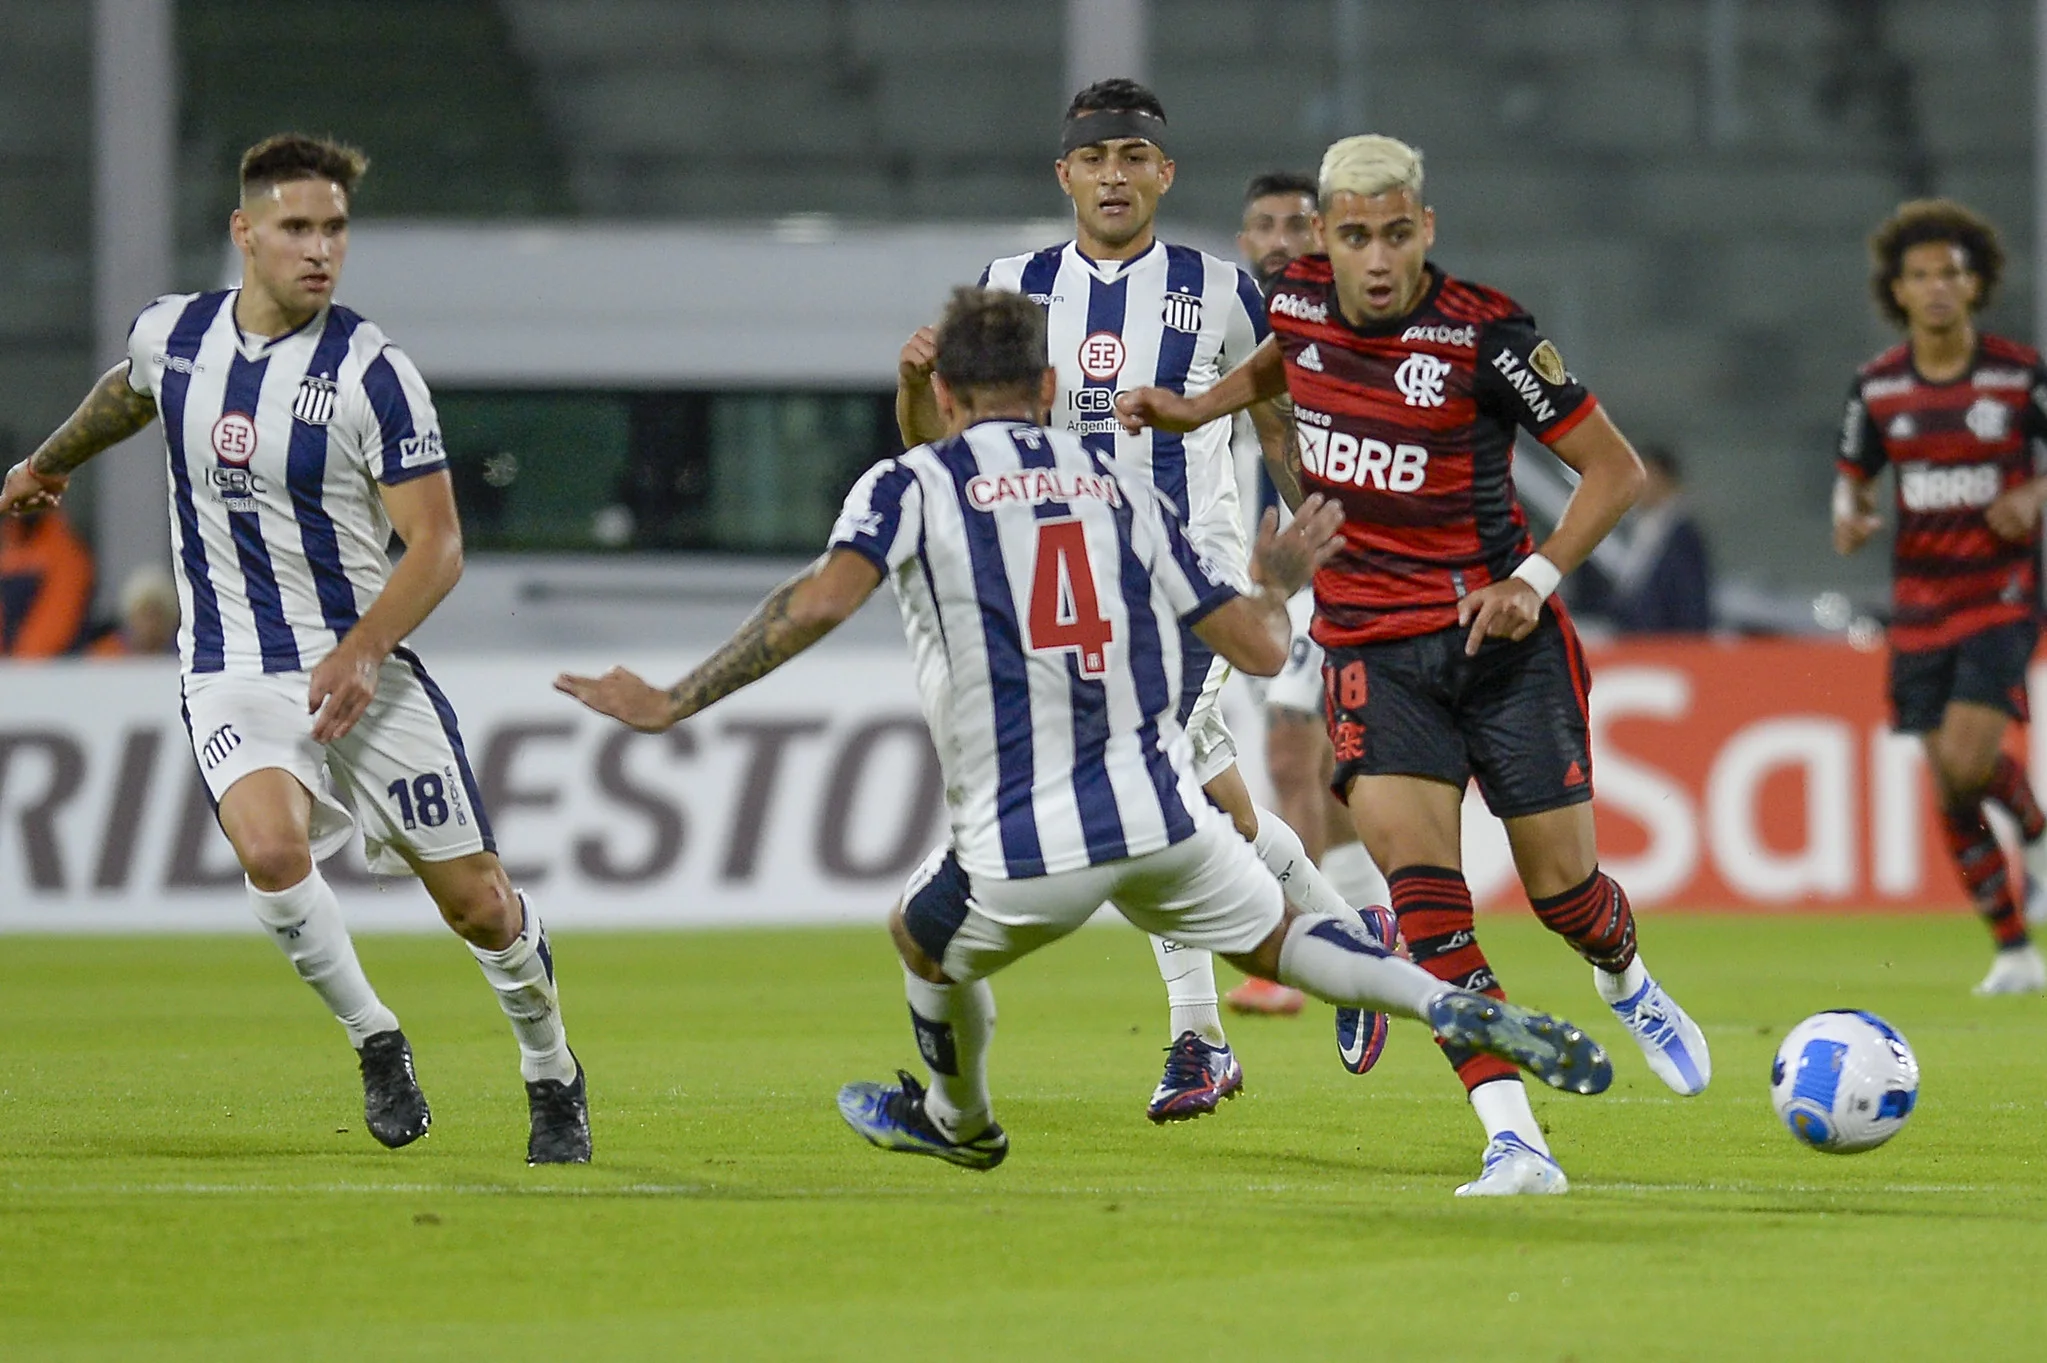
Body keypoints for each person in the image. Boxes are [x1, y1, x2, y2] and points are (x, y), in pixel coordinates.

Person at [557, 287, 1612, 1178]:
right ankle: (1448, 1004)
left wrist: (671, 700)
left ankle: (958, 1123)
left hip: (1023, 846)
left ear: (941, 395)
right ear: (1052, 391)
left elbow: (821, 603)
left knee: (919, 942)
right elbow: (1251, 647)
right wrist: (1280, 581)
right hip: (1163, 816)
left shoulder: (906, 485)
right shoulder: (1116, 485)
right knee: (1291, 944)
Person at [1117, 134, 1711, 1196]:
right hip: (1375, 656)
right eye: (1354, 237)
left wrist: (1533, 576)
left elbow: (1611, 470)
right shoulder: (1296, 302)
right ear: (1326, 240)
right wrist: (1198, 407)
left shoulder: (1489, 333)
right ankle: (1513, 1137)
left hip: (1501, 646)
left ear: (1423, 229)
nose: (1376, 258)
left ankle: (1626, 979)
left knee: (1563, 893)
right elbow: (1275, 361)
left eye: (1395, 234)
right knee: (1429, 909)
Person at [0, 133, 590, 1163]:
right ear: (245, 233)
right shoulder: (175, 337)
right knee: (269, 850)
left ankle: (551, 1069)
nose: (321, 250)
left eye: (335, 230)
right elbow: (126, 393)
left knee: (483, 907)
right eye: (297, 228)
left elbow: (439, 546)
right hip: (230, 665)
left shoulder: (373, 375)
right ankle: (376, 1039)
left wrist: (364, 649)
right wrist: (47, 463)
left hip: (362, 665)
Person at [896, 80, 1397, 1124]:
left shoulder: (1219, 290)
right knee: (1208, 803)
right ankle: (1345, 930)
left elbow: (1276, 424)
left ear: (1164, 173)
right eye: (1095, 158)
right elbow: (946, 444)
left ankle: (1198, 1038)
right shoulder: (1010, 288)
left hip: (1189, 581)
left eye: (1134, 156)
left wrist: (1321, 538)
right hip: (1063, 594)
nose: (1114, 175)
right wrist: (910, 388)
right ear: (1065, 175)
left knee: (1141, 785)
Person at [1833, 198, 2047, 995]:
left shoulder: (2017, 375)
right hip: (1919, 605)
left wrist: (2035, 495)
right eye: (1918, 275)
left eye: (1949, 273)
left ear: (1975, 283)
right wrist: (1850, 517)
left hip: (2000, 593)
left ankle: (2032, 834)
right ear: (1895, 289)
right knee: (1949, 786)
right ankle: (2014, 950)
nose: (1934, 288)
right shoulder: (1878, 387)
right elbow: (1849, 481)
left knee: (1966, 758)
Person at [1224, 170, 1393, 1020]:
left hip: (1335, 562)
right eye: (1265, 225)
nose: (1283, 237)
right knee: (1328, 782)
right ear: (1244, 240)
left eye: (1299, 223)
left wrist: (1323, 550)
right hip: (1254, 571)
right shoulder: (1217, 325)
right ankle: (1372, 918)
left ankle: (1299, 949)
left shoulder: (1353, 327)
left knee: (1290, 750)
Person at [1570, 445, 1715, 634]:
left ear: (1664, 480)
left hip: (1662, 641)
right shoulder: (1643, 527)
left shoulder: (1682, 535)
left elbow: (1688, 599)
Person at [0, 506, 94, 657]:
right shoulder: (9, 546)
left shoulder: (67, 551)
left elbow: (56, 619)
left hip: (51, 670)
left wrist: (20, 667)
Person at [86, 564, 182, 656]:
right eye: (144, 614)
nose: (151, 624)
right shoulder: (107, 654)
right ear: (131, 616)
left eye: (158, 615)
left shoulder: (184, 655)